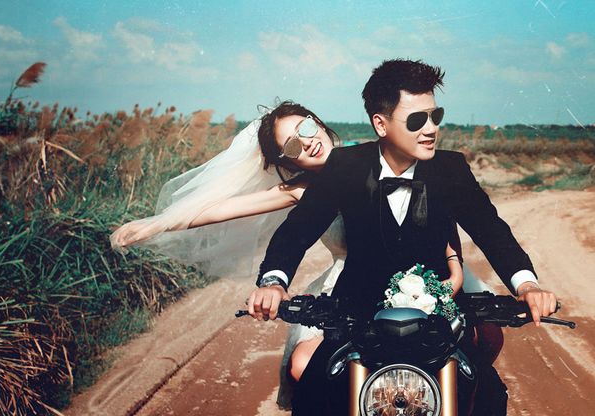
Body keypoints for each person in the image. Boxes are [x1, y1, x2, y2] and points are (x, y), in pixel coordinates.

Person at [110, 101, 469, 408]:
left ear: (319, 122)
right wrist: (157, 224)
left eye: (306, 128)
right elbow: (222, 209)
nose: (308, 143)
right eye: (293, 146)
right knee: (304, 364)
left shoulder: (376, 156)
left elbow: (435, 210)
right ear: (288, 161)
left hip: (424, 273)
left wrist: (455, 269)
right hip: (350, 281)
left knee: (482, 339)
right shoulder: (300, 189)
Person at [255, 59, 558, 415]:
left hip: (437, 319)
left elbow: (490, 229)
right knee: (312, 396)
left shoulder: (451, 167)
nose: (431, 129)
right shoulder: (345, 165)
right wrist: (273, 282)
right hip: (357, 316)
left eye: (435, 116)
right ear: (380, 124)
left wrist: (527, 285)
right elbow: (298, 229)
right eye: (417, 120)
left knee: (488, 396)